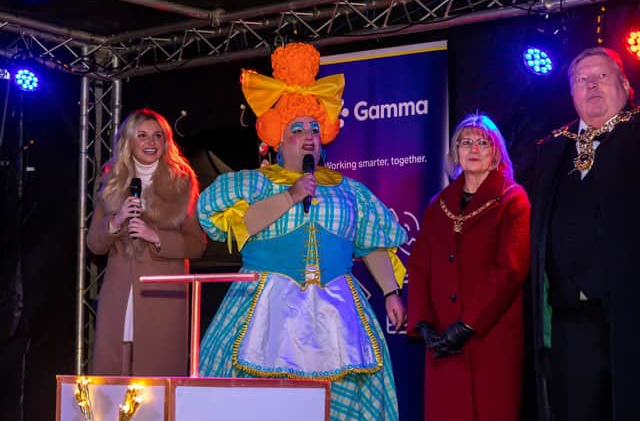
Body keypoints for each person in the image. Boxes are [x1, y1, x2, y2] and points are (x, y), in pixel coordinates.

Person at [197, 42, 408, 420]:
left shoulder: (347, 191)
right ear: (278, 137)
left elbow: (372, 242)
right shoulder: (256, 184)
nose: (308, 135)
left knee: (340, 401)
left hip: (335, 313)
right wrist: (291, 196)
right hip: (265, 304)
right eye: (297, 128)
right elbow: (239, 227)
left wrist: (391, 291)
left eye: (314, 127)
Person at [530, 47, 640, 421]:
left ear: (625, 85)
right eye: (582, 80)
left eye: (602, 76)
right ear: (571, 94)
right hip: (570, 316)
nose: (592, 85)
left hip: (631, 313)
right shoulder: (551, 150)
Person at [407, 114, 530, 421]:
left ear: (496, 152)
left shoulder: (512, 199)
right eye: (465, 142)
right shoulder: (439, 205)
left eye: (482, 142)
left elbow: (510, 269)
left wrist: (467, 325)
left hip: (490, 337)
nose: (473, 149)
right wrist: (423, 322)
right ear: (455, 151)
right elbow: (420, 265)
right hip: (442, 342)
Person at [87, 108, 206, 376]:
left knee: (156, 378)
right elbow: (94, 244)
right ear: (129, 141)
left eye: (157, 136)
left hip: (162, 295)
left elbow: (197, 244)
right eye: (142, 136)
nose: (151, 143)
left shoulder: (181, 182)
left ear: (166, 142)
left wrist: (157, 237)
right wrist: (115, 223)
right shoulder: (113, 180)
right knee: (112, 375)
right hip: (119, 294)